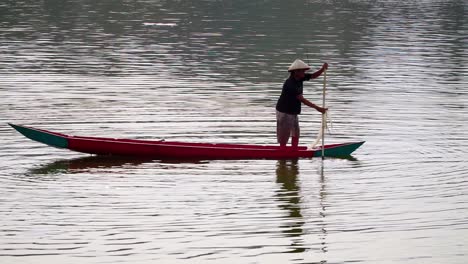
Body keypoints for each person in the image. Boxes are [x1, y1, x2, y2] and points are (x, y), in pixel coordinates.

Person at [276, 59, 328, 148]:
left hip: (293, 111)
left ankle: (294, 151)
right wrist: (317, 108)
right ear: (296, 72)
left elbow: (313, 76)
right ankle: (282, 154)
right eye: (302, 71)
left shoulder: (300, 77)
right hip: (284, 112)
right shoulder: (290, 84)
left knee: (296, 133)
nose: (304, 72)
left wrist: (322, 69)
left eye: (304, 71)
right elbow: (302, 99)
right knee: (284, 135)